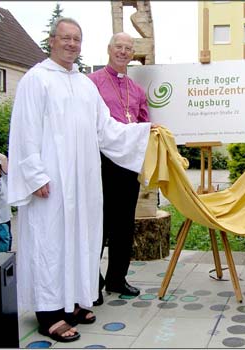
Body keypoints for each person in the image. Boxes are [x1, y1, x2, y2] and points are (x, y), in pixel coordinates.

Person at [8, 17, 153, 343]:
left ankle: (71, 302)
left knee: (79, 241)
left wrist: (144, 132)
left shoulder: (85, 85)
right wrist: (34, 175)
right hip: (52, 182)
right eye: (66, 38)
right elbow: (25, 131)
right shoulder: (37, 80)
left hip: (83, 181)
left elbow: (108, 130)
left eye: (77, 39)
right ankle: (49, 314)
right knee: (51, 242)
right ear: (52, 41)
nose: (72, 44)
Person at [88, 32, 150, 305]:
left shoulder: (137, 90)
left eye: (128, 48)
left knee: (124, 224)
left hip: (128, 166)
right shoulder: (92, 83)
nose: (123, 52)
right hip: (100, 162)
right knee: (99, 224)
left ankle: (117, 278)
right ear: (109, 49)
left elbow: (143, 122)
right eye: (119, 47)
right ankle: (92, 281)